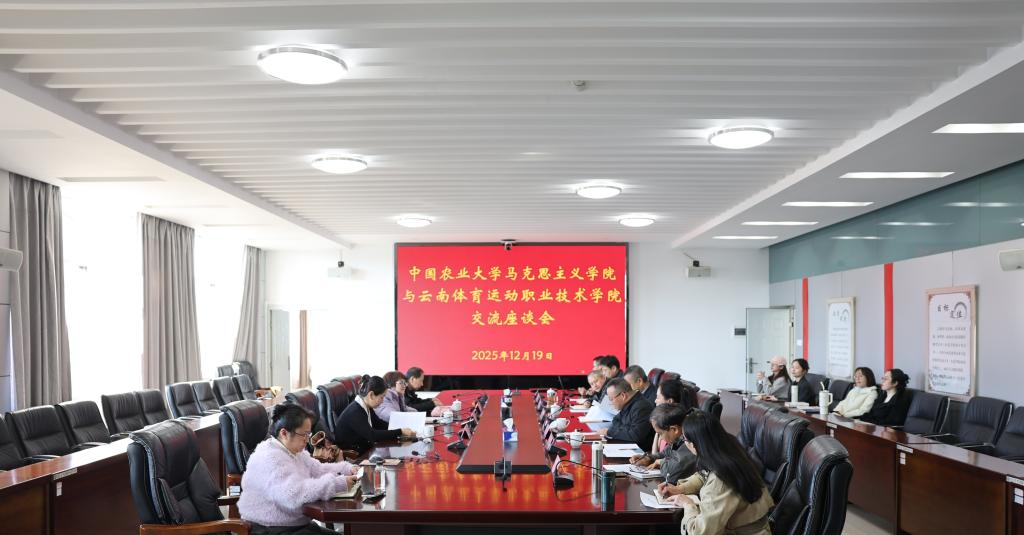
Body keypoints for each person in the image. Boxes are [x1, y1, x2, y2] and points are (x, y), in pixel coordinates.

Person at [238, 403, 359, 535]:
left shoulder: (292, 451)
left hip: (294, 525)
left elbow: (318, 469)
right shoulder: (270, 458)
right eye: (304, 435)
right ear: (284, 433)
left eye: (309, 434)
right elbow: (293, 494)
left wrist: (347, 468)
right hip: (270, 528)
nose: (307, 440)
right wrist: (337, 483)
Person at [658, 411, 773, 535]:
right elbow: (704, 475)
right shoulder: (729, 450)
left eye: (684, 439)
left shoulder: (721, 480)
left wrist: (688, 505)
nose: (684, 443)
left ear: (694, 445)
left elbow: (700, 532)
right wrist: (680, 488)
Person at [334, 375, 417, 455]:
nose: (382, 401)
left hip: (364, 448)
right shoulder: (355, 411)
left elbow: (378, 423)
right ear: (371, 395)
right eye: (381, 397)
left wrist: (401, 428)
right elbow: (373, 435)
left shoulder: (365, 405)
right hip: (353, 455)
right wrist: (400, 431)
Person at [630, 379, 698, 471]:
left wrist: (661, 462)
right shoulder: (675, 428)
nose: (655, 401)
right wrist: (649, 458)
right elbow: (666, 452)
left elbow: (675, 470)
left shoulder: (690, 431)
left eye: (658, 397)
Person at [595, 378, 655, 448]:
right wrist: (626, 430)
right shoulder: (628, 403)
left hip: (639, 451)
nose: (610, 403)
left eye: (611, 399)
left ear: (623, 395)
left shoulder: (641, 407)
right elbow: (616, 420)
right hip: (626, 444)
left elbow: (635, 435)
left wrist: (609, 432)